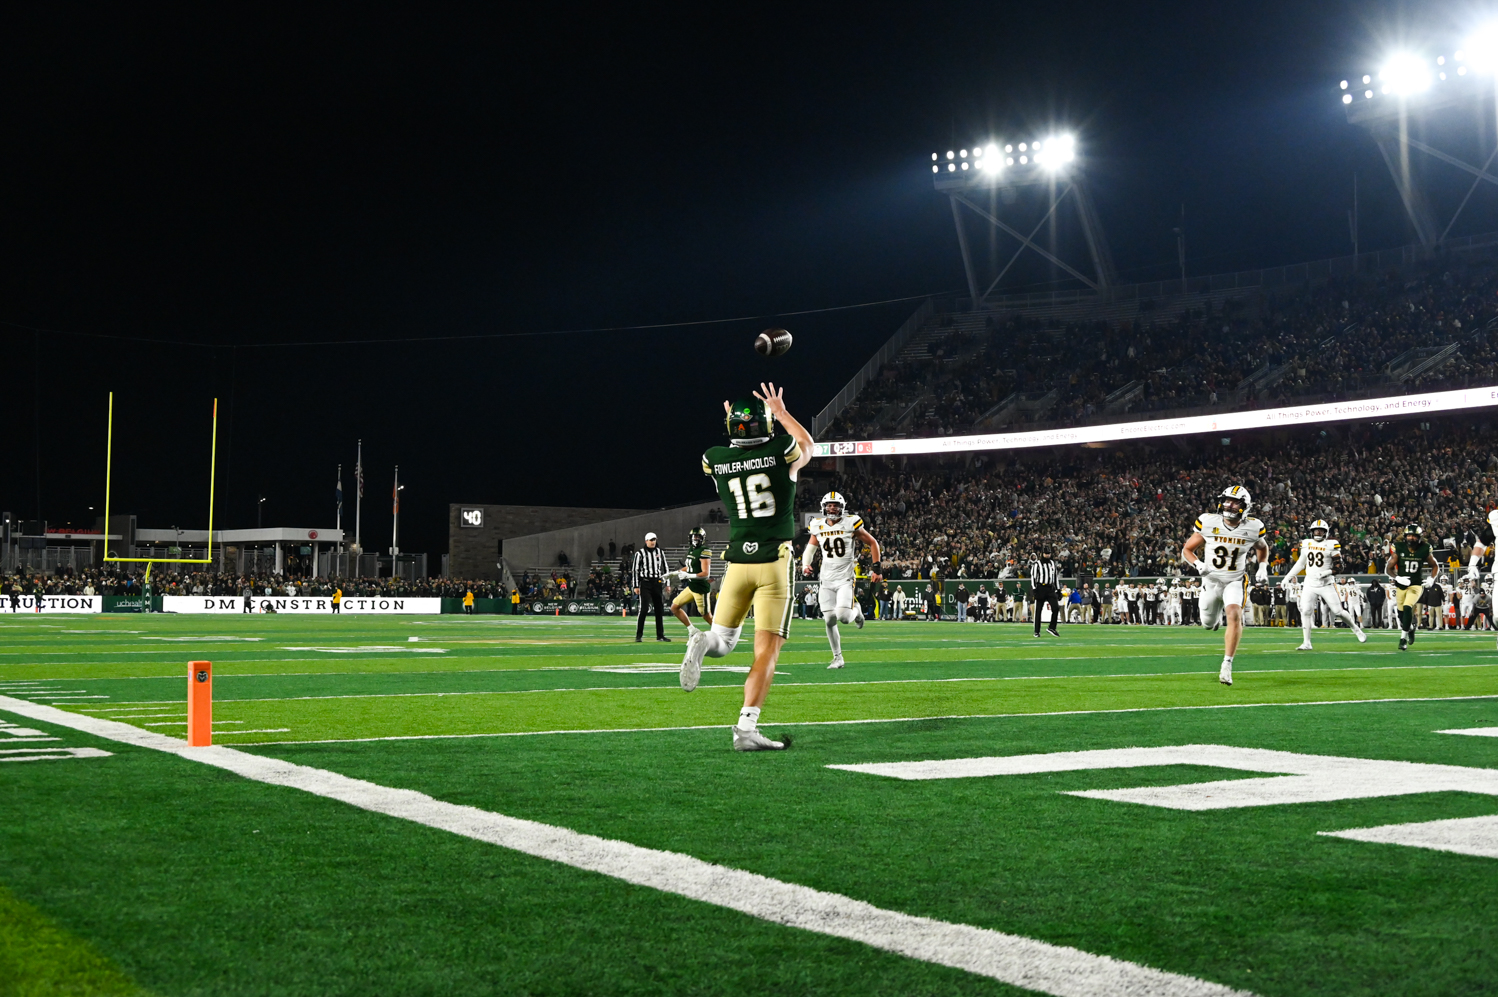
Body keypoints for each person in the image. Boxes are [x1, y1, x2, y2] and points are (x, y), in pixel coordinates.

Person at [678, 383, 812, 751]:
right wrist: (781, 412)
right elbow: (807, 446)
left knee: (721, 642)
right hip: (773, 561)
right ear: (765, 426)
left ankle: (699, 641)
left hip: (737, 561)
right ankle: (746, 728)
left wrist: (734, 422)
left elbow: (733, 454)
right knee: (766, 651)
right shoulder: (780, 450)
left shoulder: (715, 457)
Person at [1180, 484, 1269, 686]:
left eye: (1234, 502)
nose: (1228, 505)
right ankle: (1214, 618)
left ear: (1245, 506)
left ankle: (1227, 664)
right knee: (1207, 624)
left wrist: (1262, 566)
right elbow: (1187, 549)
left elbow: (1263, 548)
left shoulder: (1254, 526)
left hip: (1235, 580)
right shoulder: (1208, 522)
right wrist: (1197, 563)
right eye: (1227, 500)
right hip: (1210, 580)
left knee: (1234, 614)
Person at [803, 491, 882, 668]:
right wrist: (805, 565)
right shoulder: (817, 525)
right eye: (830, 505)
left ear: (842, 507)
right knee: (829, 619)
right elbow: (810, 549)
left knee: (844, 617)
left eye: (836, 505)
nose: (832, 508)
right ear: (824, 507)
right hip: (826, 579)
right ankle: (838, 657)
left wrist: (876, 568)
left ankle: (858, 611)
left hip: (845, 578)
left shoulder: (850, 523)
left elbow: (873, 543)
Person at [1279, 519, 1366, 649]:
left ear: (1326, 532)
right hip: (1310, 583)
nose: (1318, 532)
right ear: (1312, 531)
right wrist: (1287, 577)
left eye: (1321, 530)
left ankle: (1355, 628)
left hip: (1326, 584)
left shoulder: (1331, 544)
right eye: (1316, 530)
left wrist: (1326, 572)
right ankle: (1306, 642)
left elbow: (1340, 567)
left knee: (1338, 611)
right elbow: (1300, 563)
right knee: (1306, 611)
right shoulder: (1306, 543)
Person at [1386, 522, 1440, 651]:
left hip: (1416, 585)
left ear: (1419, 537)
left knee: (1407, 607)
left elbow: (1435, 565)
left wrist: (1432, 579)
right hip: (1401, 585)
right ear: (1405, 536)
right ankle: (1410, 628)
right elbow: (1388, 568)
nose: (1411, 538)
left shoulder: (1424, 548)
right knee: (1401, 615)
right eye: (1409, 536)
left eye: (1414, 536)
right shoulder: (1399, 547)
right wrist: (1397, 577)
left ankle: (1403, 639)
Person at [670, 527, 715, 632]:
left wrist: (689, 576)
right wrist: (674, 573)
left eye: (698, 536)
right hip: (691, 587)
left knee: (706, 615)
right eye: (694, 536)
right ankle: (692, 630)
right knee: (674, 607)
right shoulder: (691, 549)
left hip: (700, 589)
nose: (696, 538)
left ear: (702, 538)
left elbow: (705, 574)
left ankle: (723, 635)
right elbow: (689, 567)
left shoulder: (704, 551)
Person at [632, 532, 672, 643]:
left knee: (659, 609)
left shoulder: (660, 552)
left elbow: (666, 568)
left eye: (654, 539)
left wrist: (667, 583)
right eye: (651, 540)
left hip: (657, 583)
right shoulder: (640, 553)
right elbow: (635, 570)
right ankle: (638, 635)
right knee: (644, 609)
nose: (653, 541)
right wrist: (635, 585)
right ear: (646, 541)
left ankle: (660, 635)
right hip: (645, 583)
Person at [1029, 547, 1061, 637]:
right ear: (1042, 554)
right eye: (1046, 553)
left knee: (1056, 608)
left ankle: (1052, 627)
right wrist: (1034, 589)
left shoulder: (1052, 563)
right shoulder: (1037, 564)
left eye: (1049, 553)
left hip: (1050, 588)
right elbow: (1033, 577)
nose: (1048, 555)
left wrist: (1058, 590)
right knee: (1038, 611)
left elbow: (1055, 577)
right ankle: (1036, 631)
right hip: (1041, 588)